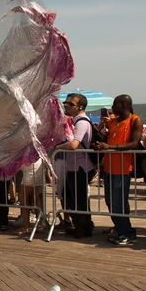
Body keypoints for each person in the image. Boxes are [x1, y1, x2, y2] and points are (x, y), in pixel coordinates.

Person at [95, 95, 143, 245]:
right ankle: (120, 228)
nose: (112, 107)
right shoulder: (113, 122)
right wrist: (102, 134)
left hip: (122, 168)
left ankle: (127, 233)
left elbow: (134, 143)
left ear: (123, 105)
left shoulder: (135, 120)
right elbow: (108, 140)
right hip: (109, 167)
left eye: (115, 104)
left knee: (118, 203)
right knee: (111, 202)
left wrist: (111, 147)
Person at [55, 93, 97, 238]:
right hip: (74, 165)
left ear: (80, 107)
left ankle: (83, 228)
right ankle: (83, 225)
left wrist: (58, 148)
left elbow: (74, 144)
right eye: (65, 103)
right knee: (70, 197)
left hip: (81, 166)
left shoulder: (81, 122)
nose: (66, 105)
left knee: (78, 199)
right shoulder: (75, 121)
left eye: (70, 104)